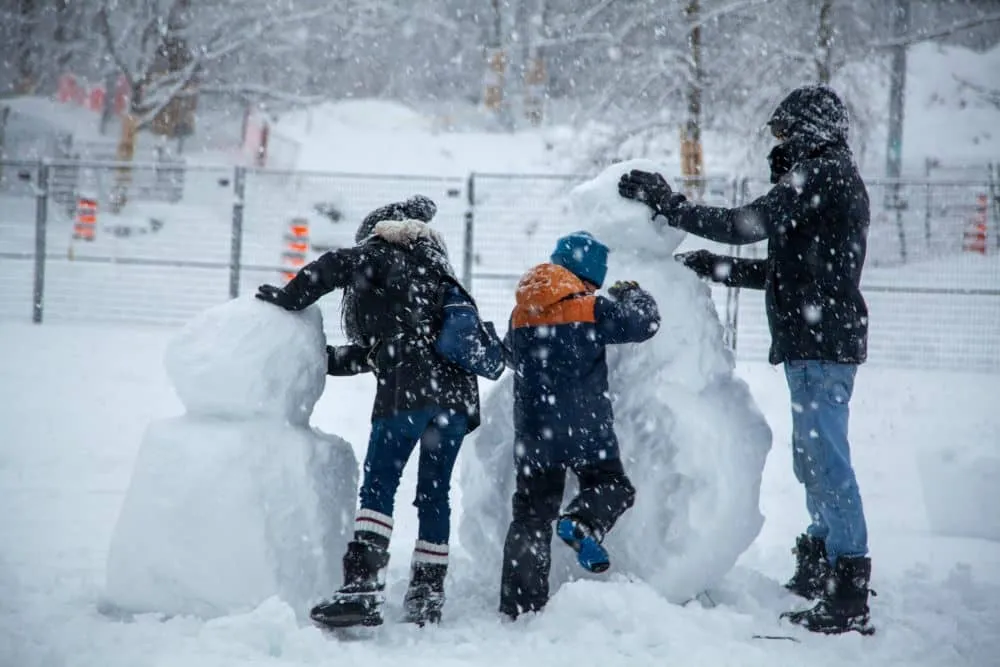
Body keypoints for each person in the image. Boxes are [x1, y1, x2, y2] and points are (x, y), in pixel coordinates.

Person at [617, 85, 873, 636]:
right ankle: (823, 560)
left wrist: (672, 206)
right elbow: (793, 273)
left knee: (826, 459)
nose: (777, 145)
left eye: (784, 134)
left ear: (807, 129)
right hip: (813, 344)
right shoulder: (822, 179)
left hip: (823, 348)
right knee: (812, 458)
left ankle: (849, 582)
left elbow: (746, 225)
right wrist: (719, 268)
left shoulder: (823, 173)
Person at [255, 195, 506, 628]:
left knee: (380, 484)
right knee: (434, 495)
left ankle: (362, 587)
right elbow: (382, 352)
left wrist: (290, 298)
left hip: (409, 393)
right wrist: (325, 359)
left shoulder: (384, 254)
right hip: (456, 402)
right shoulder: (442, 279)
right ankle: (427, 594)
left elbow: (333, 265)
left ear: (377, 232)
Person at [498, 231, 660, 620]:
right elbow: (646, 324)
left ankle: (521, 605)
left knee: (531, 515)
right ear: (588, 274)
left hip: (535, 432)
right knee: (612, 486)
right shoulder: (591, 307)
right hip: (585, 428)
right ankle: (583, 521)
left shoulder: (521, 313)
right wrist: (632, 293)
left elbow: (508, 356)